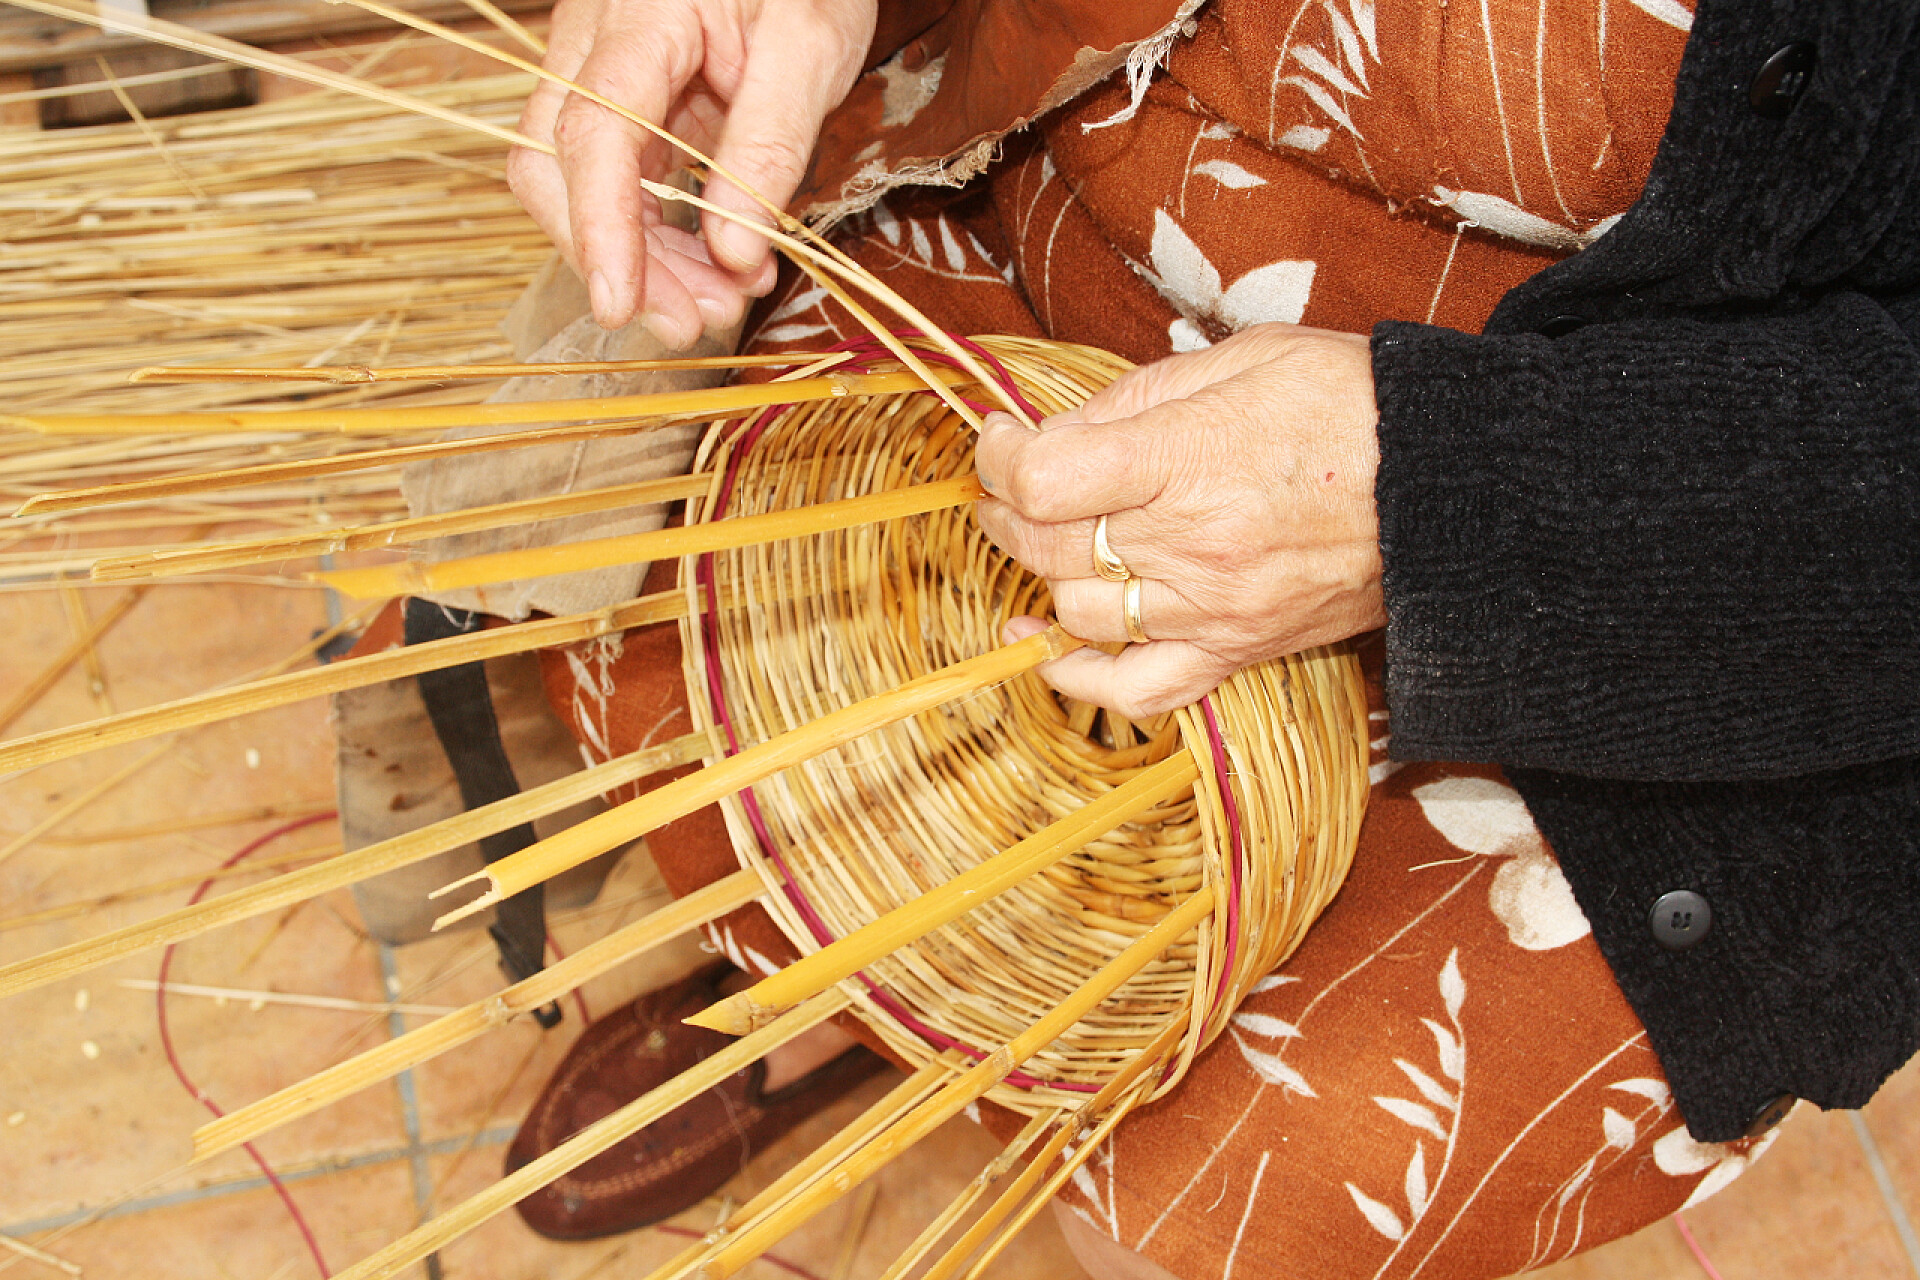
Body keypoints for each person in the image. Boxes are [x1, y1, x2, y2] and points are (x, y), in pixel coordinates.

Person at [496, 0, 1920, 1274]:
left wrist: (1440, 495)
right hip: (1038, 188)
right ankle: (834, 1001)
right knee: (697, 631)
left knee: (1229, 1183)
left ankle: (976, 1073)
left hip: (1666, 547)